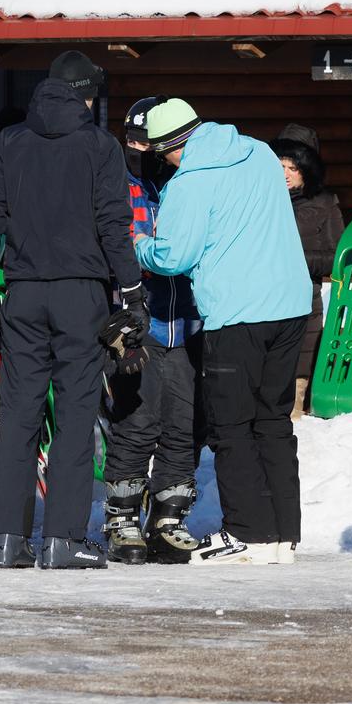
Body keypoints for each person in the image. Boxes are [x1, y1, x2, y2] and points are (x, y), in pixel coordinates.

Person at [0, 51, 147, 570]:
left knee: (19, 414)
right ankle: (63, 539)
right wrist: (133, 292)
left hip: (22, 292)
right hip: (80, 294)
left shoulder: (10, 141)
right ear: (86, 95)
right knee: (74, 415)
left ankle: (8, 538)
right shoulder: (100, 146)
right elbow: (114, 225)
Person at [133, 99, 312, 566]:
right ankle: (282, 536)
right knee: (273, 421)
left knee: (231, 426)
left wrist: (139, 246)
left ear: (170, 147)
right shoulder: (257, 151)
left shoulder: (190, 182)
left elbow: (174, 256)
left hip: (237, 312)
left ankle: (248, 534)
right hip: (291, 303)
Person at [99, 97, 205, 565]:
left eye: (149, 143)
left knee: (183, 424)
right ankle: (121, 519)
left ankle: (168, 520)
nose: (142, 150)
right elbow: (116, 248)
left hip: (187, 323)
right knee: (138, 422)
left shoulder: (187, 182)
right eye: (134, 142)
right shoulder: (118, 187)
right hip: (140, 324)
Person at [270, 123, 344, 417]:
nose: (285, 174)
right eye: (280, 166)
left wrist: (296, 258)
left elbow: (338, 258)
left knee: (294, 402)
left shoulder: (324, 204)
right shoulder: (257, 200)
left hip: (303, 305)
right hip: (260, 304)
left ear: (307, 170)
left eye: (293, 167)